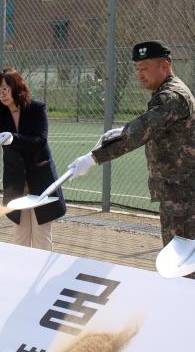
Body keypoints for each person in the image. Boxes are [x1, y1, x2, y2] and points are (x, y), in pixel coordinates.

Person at [69, 41, 195, 270]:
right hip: (177, 191)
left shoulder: (172, 96)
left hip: (183, 196)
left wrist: (93, 158)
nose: (140, 74)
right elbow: (153, 126)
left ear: (164, 66)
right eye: (137, 69)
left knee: (182, 265)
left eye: (145, 68)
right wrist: (124, 130)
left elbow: (138, 132)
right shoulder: (166, 92)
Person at [0, 68, 66, 250]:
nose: (2, 94)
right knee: (20, 234)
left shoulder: (37, 109)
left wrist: (15, 138)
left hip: (40, 179)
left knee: (41, 235)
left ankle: (39, 275)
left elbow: (40, 140)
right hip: (16, 181)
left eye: (6, 88)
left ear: (16, 87)